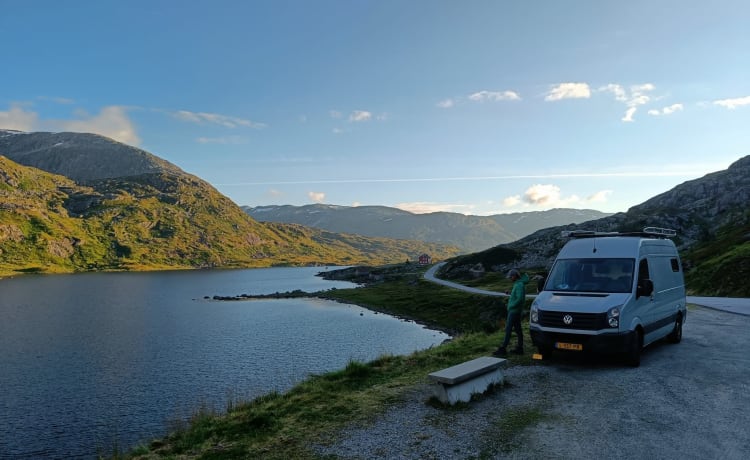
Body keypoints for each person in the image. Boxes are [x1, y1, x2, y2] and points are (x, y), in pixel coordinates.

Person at [493, 269, 529, 356]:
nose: (510, 278)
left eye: (510, 277)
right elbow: (517, 296)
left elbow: (520, 299)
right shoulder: (518, 284)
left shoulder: (519, 285)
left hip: (514, 311)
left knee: (508, 329)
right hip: (516, 311)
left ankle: (503, 349)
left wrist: (511, 306)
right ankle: (520, 349)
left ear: (514, 276)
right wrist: (510, 293)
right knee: (518, 330)